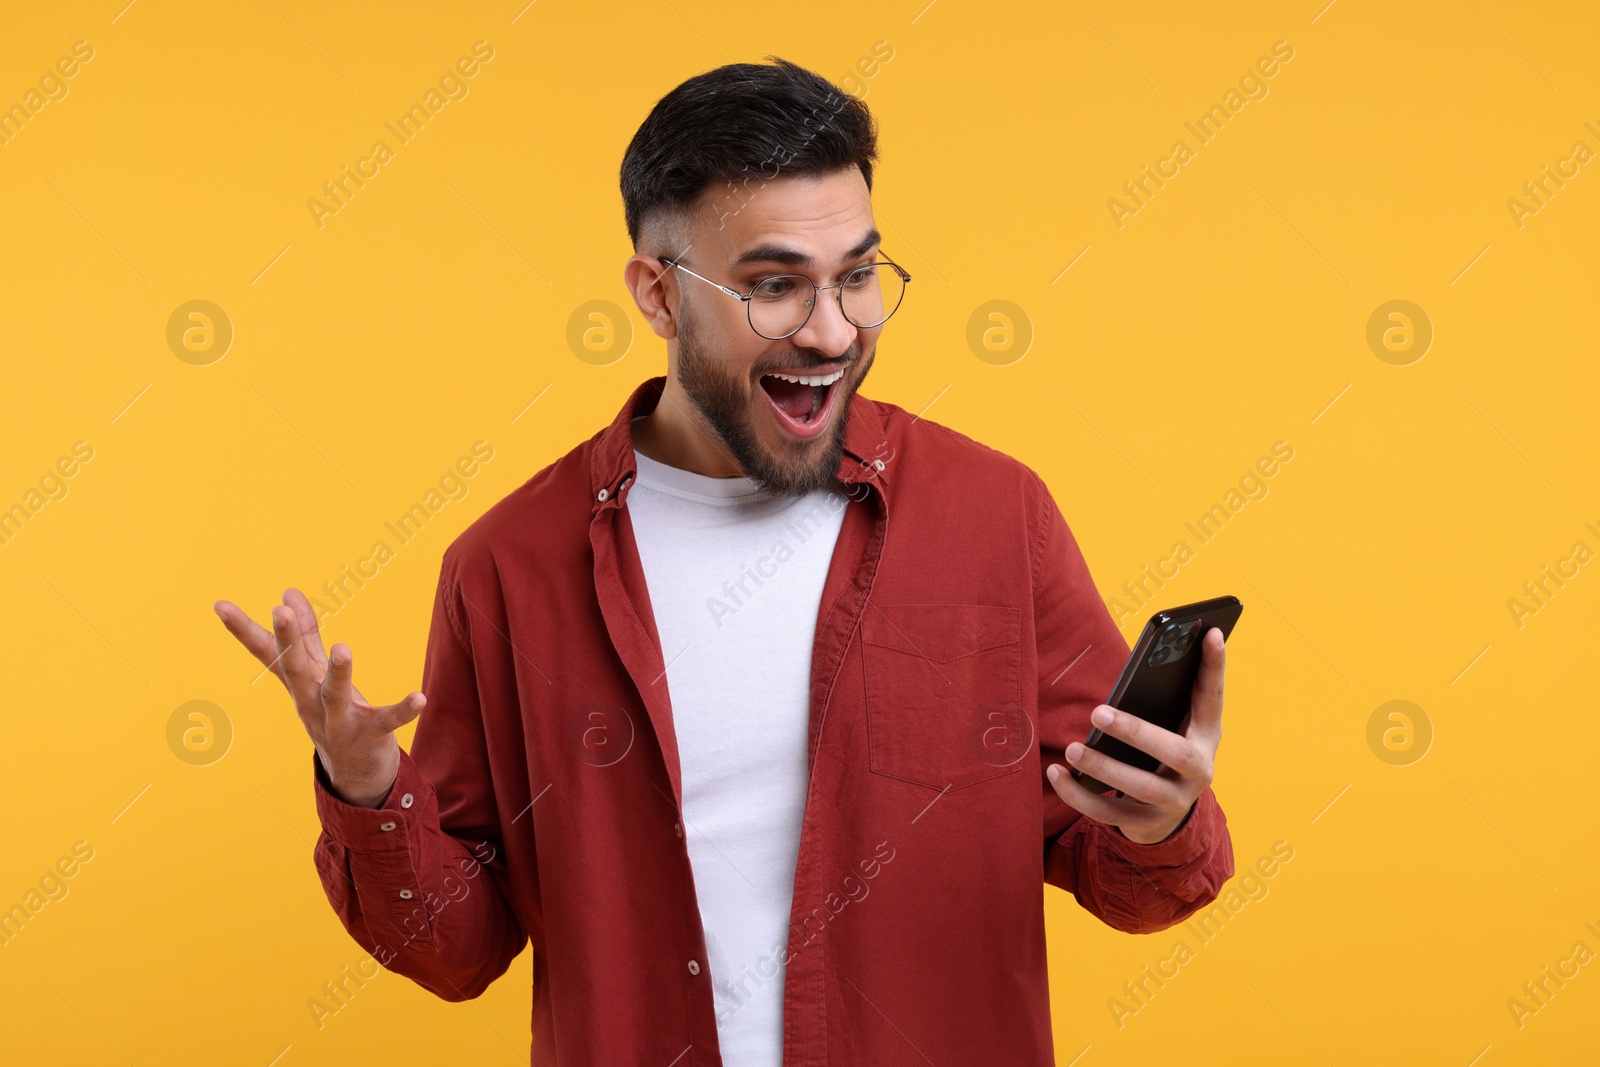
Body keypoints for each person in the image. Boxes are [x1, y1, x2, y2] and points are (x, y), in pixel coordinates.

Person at [214, 55, 1233, 1067]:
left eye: (858, 276)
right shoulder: (507, 566)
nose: (832, 330)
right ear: (657, 296)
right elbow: (455, 948)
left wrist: (1163, 815)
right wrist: (365, 784)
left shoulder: (995, 515)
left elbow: (1136, 882)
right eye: (775, 284)